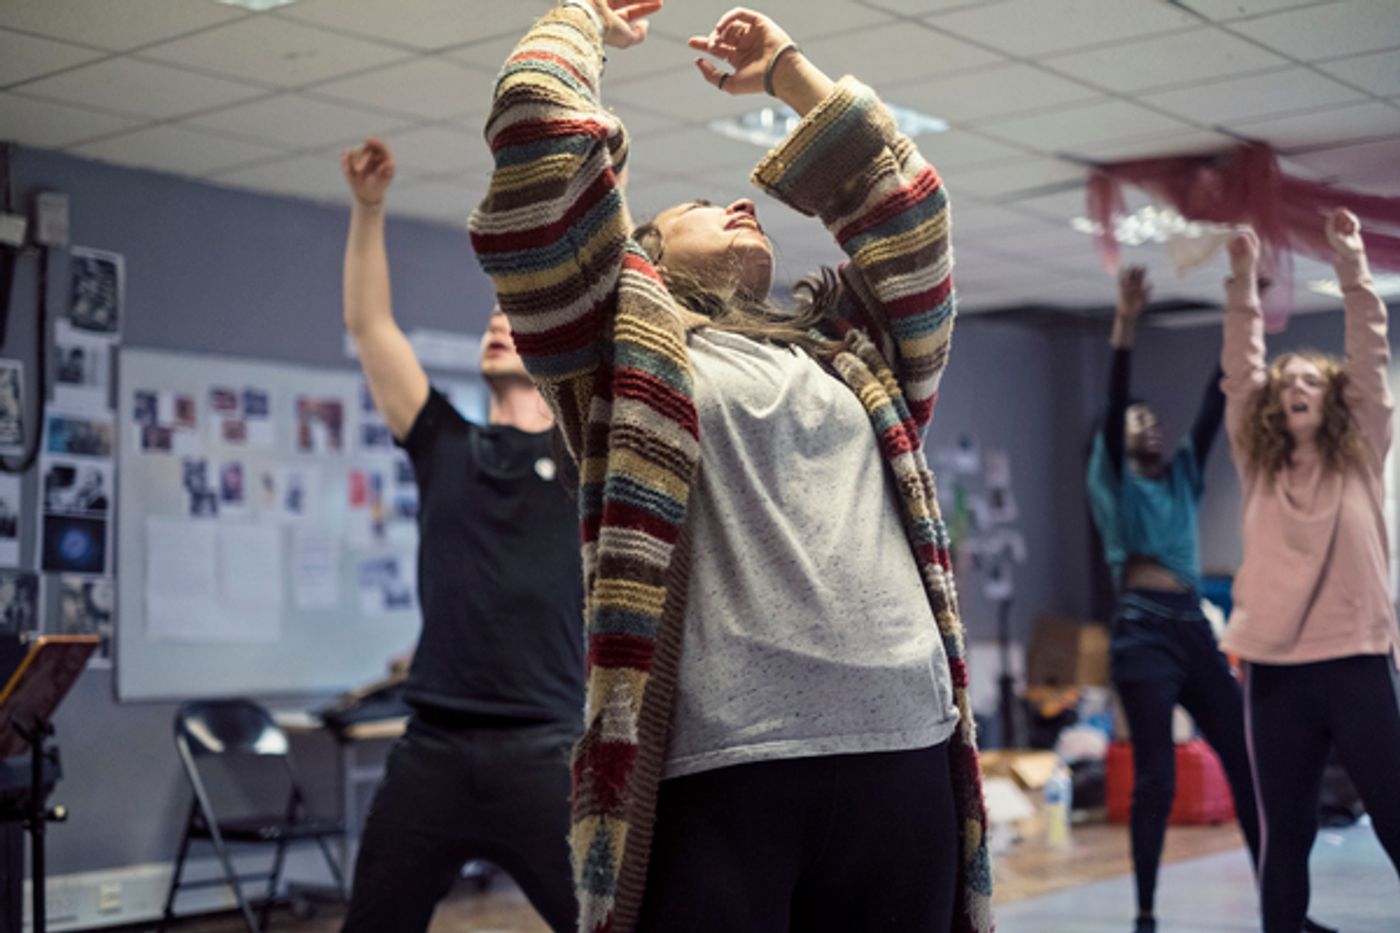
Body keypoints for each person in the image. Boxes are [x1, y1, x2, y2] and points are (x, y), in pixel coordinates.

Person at [470, 3, 991, 931]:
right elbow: (538, 143)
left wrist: (790, 71)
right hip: (727, 766)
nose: (740, 203)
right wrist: (583, 20)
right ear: (645, 259)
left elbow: (915, 222)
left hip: (905, 744)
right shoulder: (617, 357)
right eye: (702, 210)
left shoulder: (857, 357)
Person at [338, 137, 584, 933]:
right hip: (432, 751)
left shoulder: (585, 456)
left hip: (546, 750)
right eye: (489, 317)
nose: (496, 326)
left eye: (514, 318)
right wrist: (369, 209)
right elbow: (371, 324)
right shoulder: (444, 443)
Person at [1221, 211, 1400, 933]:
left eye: (1310, 379)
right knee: (1285, 838)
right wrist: (1241, 281)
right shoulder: (1258, 462)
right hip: (1276, 670)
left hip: (1356, 657)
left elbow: (1369, 354)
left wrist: (1351, 263)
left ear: (1331, 399)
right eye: (1284, 379)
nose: (1294, 383)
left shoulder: (1360, 454)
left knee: (1395, 819)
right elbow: (1241, 367)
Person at [1085, 267, 1262, 933]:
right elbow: (1115, 400)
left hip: (1192, 627)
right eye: (1138, 419)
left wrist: (1241, 309)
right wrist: (1126, 324)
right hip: (1141, 635)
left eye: (1155, 420)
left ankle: (1279, 903)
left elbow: (1219, 401)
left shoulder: (1185, 474)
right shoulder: (1110, 476)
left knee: (1247, 761)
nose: (1149, 425)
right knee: (1156, 778)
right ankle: (1147, 914)